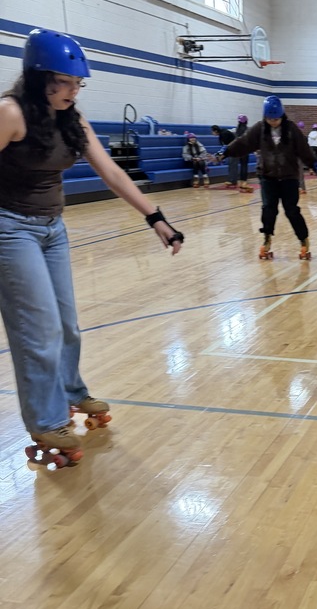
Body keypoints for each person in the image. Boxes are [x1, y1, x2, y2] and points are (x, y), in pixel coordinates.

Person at [0, 27, 184, 463]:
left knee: (66, 324)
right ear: (37, 77)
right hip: (10, 229)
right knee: (37, 331)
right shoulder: (9, 113)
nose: (71, 91)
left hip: (52, 229)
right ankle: (46, 422)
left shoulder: (72, 119)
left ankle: (71, 392)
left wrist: (155, 217)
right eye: (62, 83)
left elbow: (113, 172)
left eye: (77, 84)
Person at [218, 94, 315, 260]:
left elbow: (304, 149)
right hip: (268, 176)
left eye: (276, 119)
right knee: (268, 209)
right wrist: (226, 151)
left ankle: (304, 241)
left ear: (282, 115)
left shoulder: (291, 129)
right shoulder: (260, 128)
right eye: (270, 119)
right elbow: (243, 142)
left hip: (289, 177)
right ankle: (267, 239)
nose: (273, 122)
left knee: (292, 211)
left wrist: (316, 165)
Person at [210, 123, 238, 188]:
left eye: (212, 131)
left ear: (216, 131)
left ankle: (232, 181)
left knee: (233, 165)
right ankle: (233, 181)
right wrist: (219, 156)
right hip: (231, 150)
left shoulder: (224, 134)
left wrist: (218, 156)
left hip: (235, 149)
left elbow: (225, 147)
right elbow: (224, 148)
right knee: (232, 165)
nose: (212, 133)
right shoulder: (221, 136)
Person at [234, 114, 253, 192]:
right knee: (244, 166)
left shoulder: (237, 130)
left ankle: (241, 182)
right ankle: (244, 182)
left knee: (242, 165)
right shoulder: (247, 129)